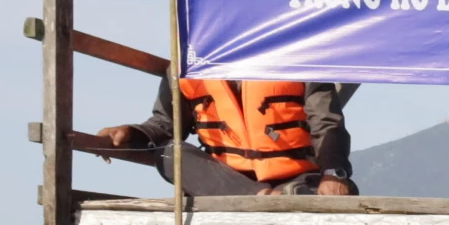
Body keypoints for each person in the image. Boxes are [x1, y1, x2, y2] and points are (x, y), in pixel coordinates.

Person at [96, 78, 358, 197]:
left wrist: (334, 174)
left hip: (298, 176)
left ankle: (286, 194)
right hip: (227, 181)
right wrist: (132, 133)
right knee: (169, 153)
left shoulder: (292, 56)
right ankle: (262, 197)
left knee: (311, 190)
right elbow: (165, 124)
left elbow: (326, 121)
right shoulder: (186, 63)